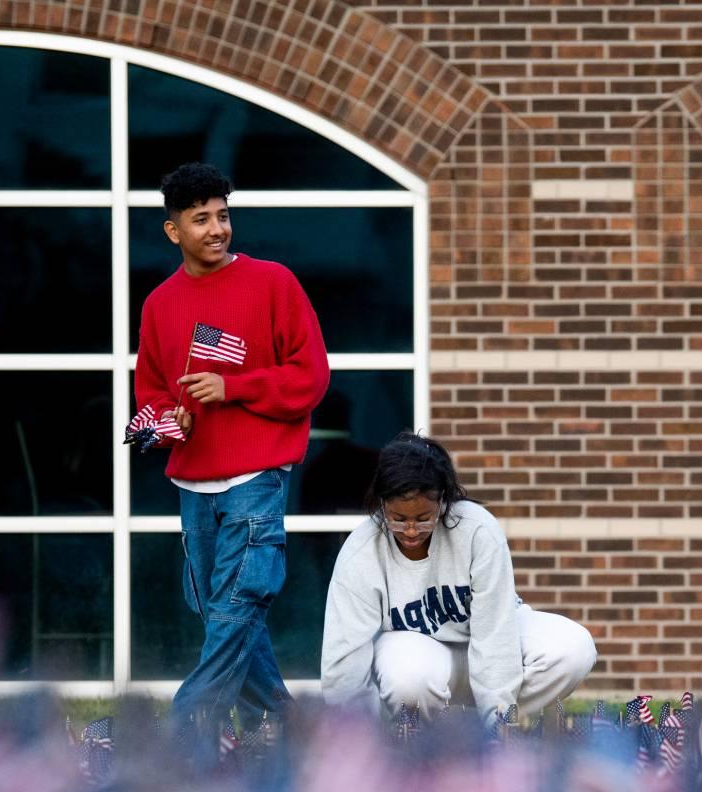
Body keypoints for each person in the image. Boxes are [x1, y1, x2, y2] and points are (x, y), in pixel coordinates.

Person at [132, 162, 330, 750]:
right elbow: (150, 400)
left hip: (256, 477)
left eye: (223, 216)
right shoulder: (159, 305)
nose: (217, 229)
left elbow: (311, 376)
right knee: (219, 609)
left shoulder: (274, 283)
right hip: (192, 484)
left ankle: (184, 726)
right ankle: (295, 729)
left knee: (240, 600)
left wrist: (232, 387)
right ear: (174, 231)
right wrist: (172, 420)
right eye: (201, 220)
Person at [320, 432, 596, 722]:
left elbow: (494, 632)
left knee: (572, 648)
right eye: (398, 519)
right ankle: (429, 741)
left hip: (488, 642)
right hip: (424, 657)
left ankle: (489, 732)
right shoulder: (361, 552)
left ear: (443, 502)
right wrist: (351, 737)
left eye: (423, 517)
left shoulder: (476, 531)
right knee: (406, 674)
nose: (411, 530)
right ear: (381, 505)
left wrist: (497, 722)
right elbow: (345, 655)